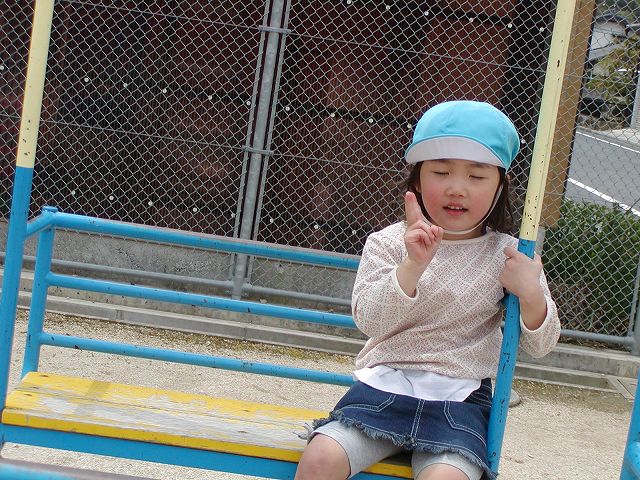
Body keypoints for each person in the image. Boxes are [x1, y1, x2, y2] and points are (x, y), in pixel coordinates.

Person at [294, 100, 561, 480]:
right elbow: (369, 320)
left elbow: (541, 344)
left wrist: (530, 294)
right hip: (383, 386)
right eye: (440, 171)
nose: (457, 188)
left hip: (461, 399)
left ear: (500, 186)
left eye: (477, 176)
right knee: (321, 458)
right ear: (417, 180)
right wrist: (412, 265)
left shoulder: (511, 255)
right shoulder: (389, 243)